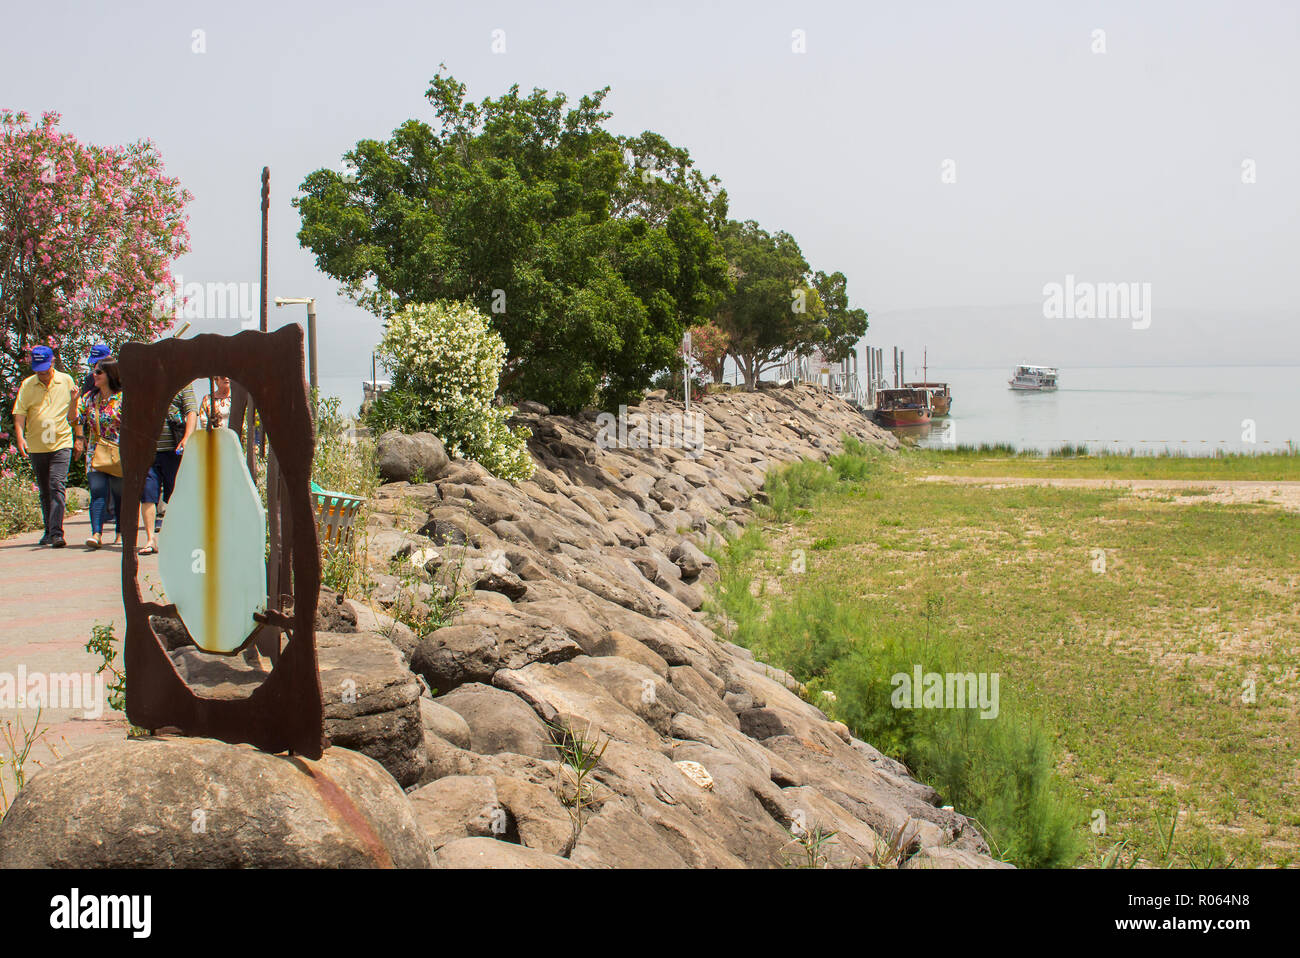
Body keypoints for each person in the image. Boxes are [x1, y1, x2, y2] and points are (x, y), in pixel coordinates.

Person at [11, 345, 78, 548]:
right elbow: (20, 414)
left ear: (53, 362)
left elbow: (74, 418)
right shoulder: (27, 385)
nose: (41, 373)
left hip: (61, 442)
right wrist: (20, 438)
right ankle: (49, 530)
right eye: (37, 369)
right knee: (45, 490)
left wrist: (74, 402)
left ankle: (57, 533)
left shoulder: (66, 380)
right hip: (37, 445)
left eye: (44, 368)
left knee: (56, 485)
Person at [138, 385, 196, 555]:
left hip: (174, 450)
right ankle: (150, 539)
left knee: (176, 494)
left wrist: (187, 437)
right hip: (148, 451)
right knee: (147, 494)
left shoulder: (183, 384)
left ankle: (180, 537)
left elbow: (191, 411)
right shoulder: (145, 382)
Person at [74, 357, 124, 549]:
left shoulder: (123, 398)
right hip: (95, 452)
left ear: (110, 374)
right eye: (94, 372)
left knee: (120, 494)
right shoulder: (89, 398)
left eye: (98, 372)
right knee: (97, 491)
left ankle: (121, 531)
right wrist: (73, 401)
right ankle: (96, 533)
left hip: (119, 451)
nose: (94, 375)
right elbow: (75, 418)